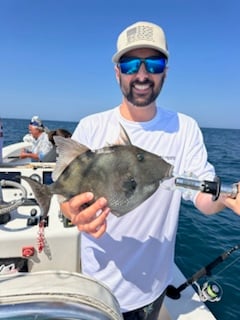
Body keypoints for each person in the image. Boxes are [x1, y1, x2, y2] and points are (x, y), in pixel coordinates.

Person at [60, 21, 240, 319]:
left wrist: (227, 196)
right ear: (117, 71)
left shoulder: (185, 129)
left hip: (152, 291)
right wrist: (71, 212)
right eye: (131, 64)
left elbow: (202, 196)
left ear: (165, 71)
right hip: (98, 285)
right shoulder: (91, 127)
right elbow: (68, 196)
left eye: (153, 63)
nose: (142, 75)